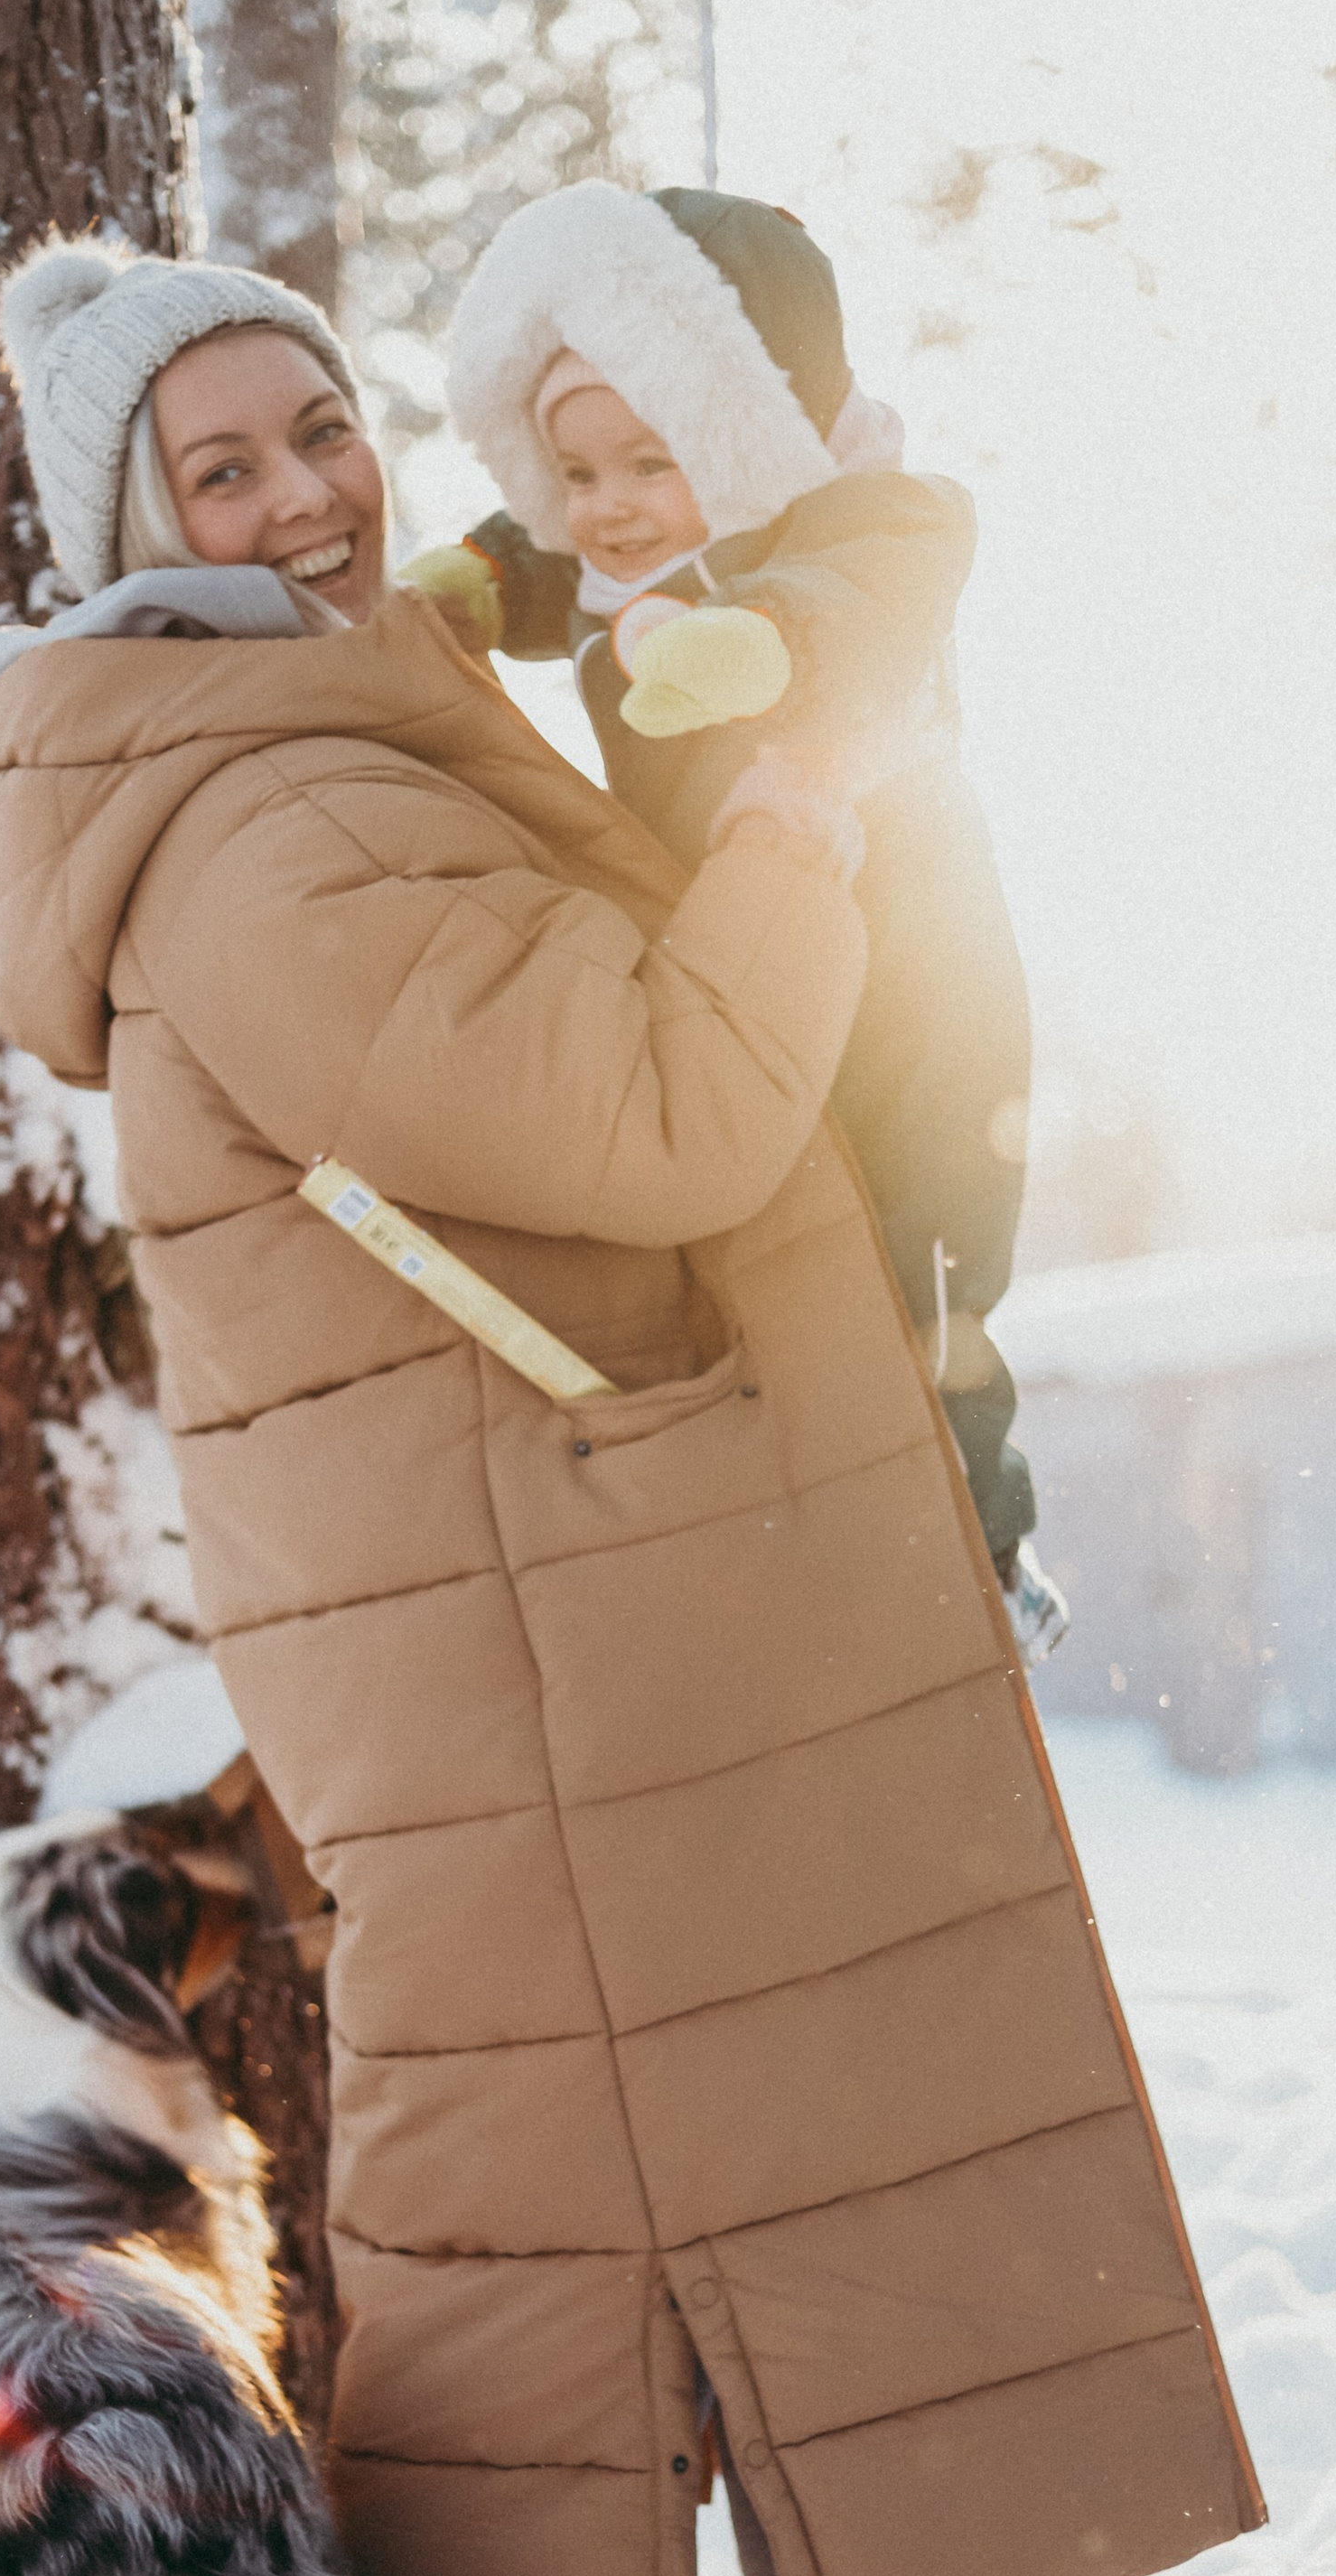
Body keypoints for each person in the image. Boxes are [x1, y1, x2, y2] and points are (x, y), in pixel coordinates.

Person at [0, 235, 1262, 2576]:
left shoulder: (347, 722)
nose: (311, 492)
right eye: (229, 469)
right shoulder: (261, 826)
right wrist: (810, 784)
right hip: (543, 1670)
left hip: (634, 1602)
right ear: (133, 536)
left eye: (323, 428)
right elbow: (676, 1106)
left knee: (821, 2190)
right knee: (541, 2292)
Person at [408, 181, 1053, 1629]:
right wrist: (466, 582)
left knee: (927, 1268)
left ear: (750, 432)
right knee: (781, 1267)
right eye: (574, 472)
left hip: (917, 970)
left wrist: (760, 646)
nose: (610, 508)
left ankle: (979, 1549)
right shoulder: (599, 545)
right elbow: (529, 565)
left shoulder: (869, 517)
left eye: (653, 458)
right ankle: (799, 1540)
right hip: (762, 961)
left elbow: (868, 592)